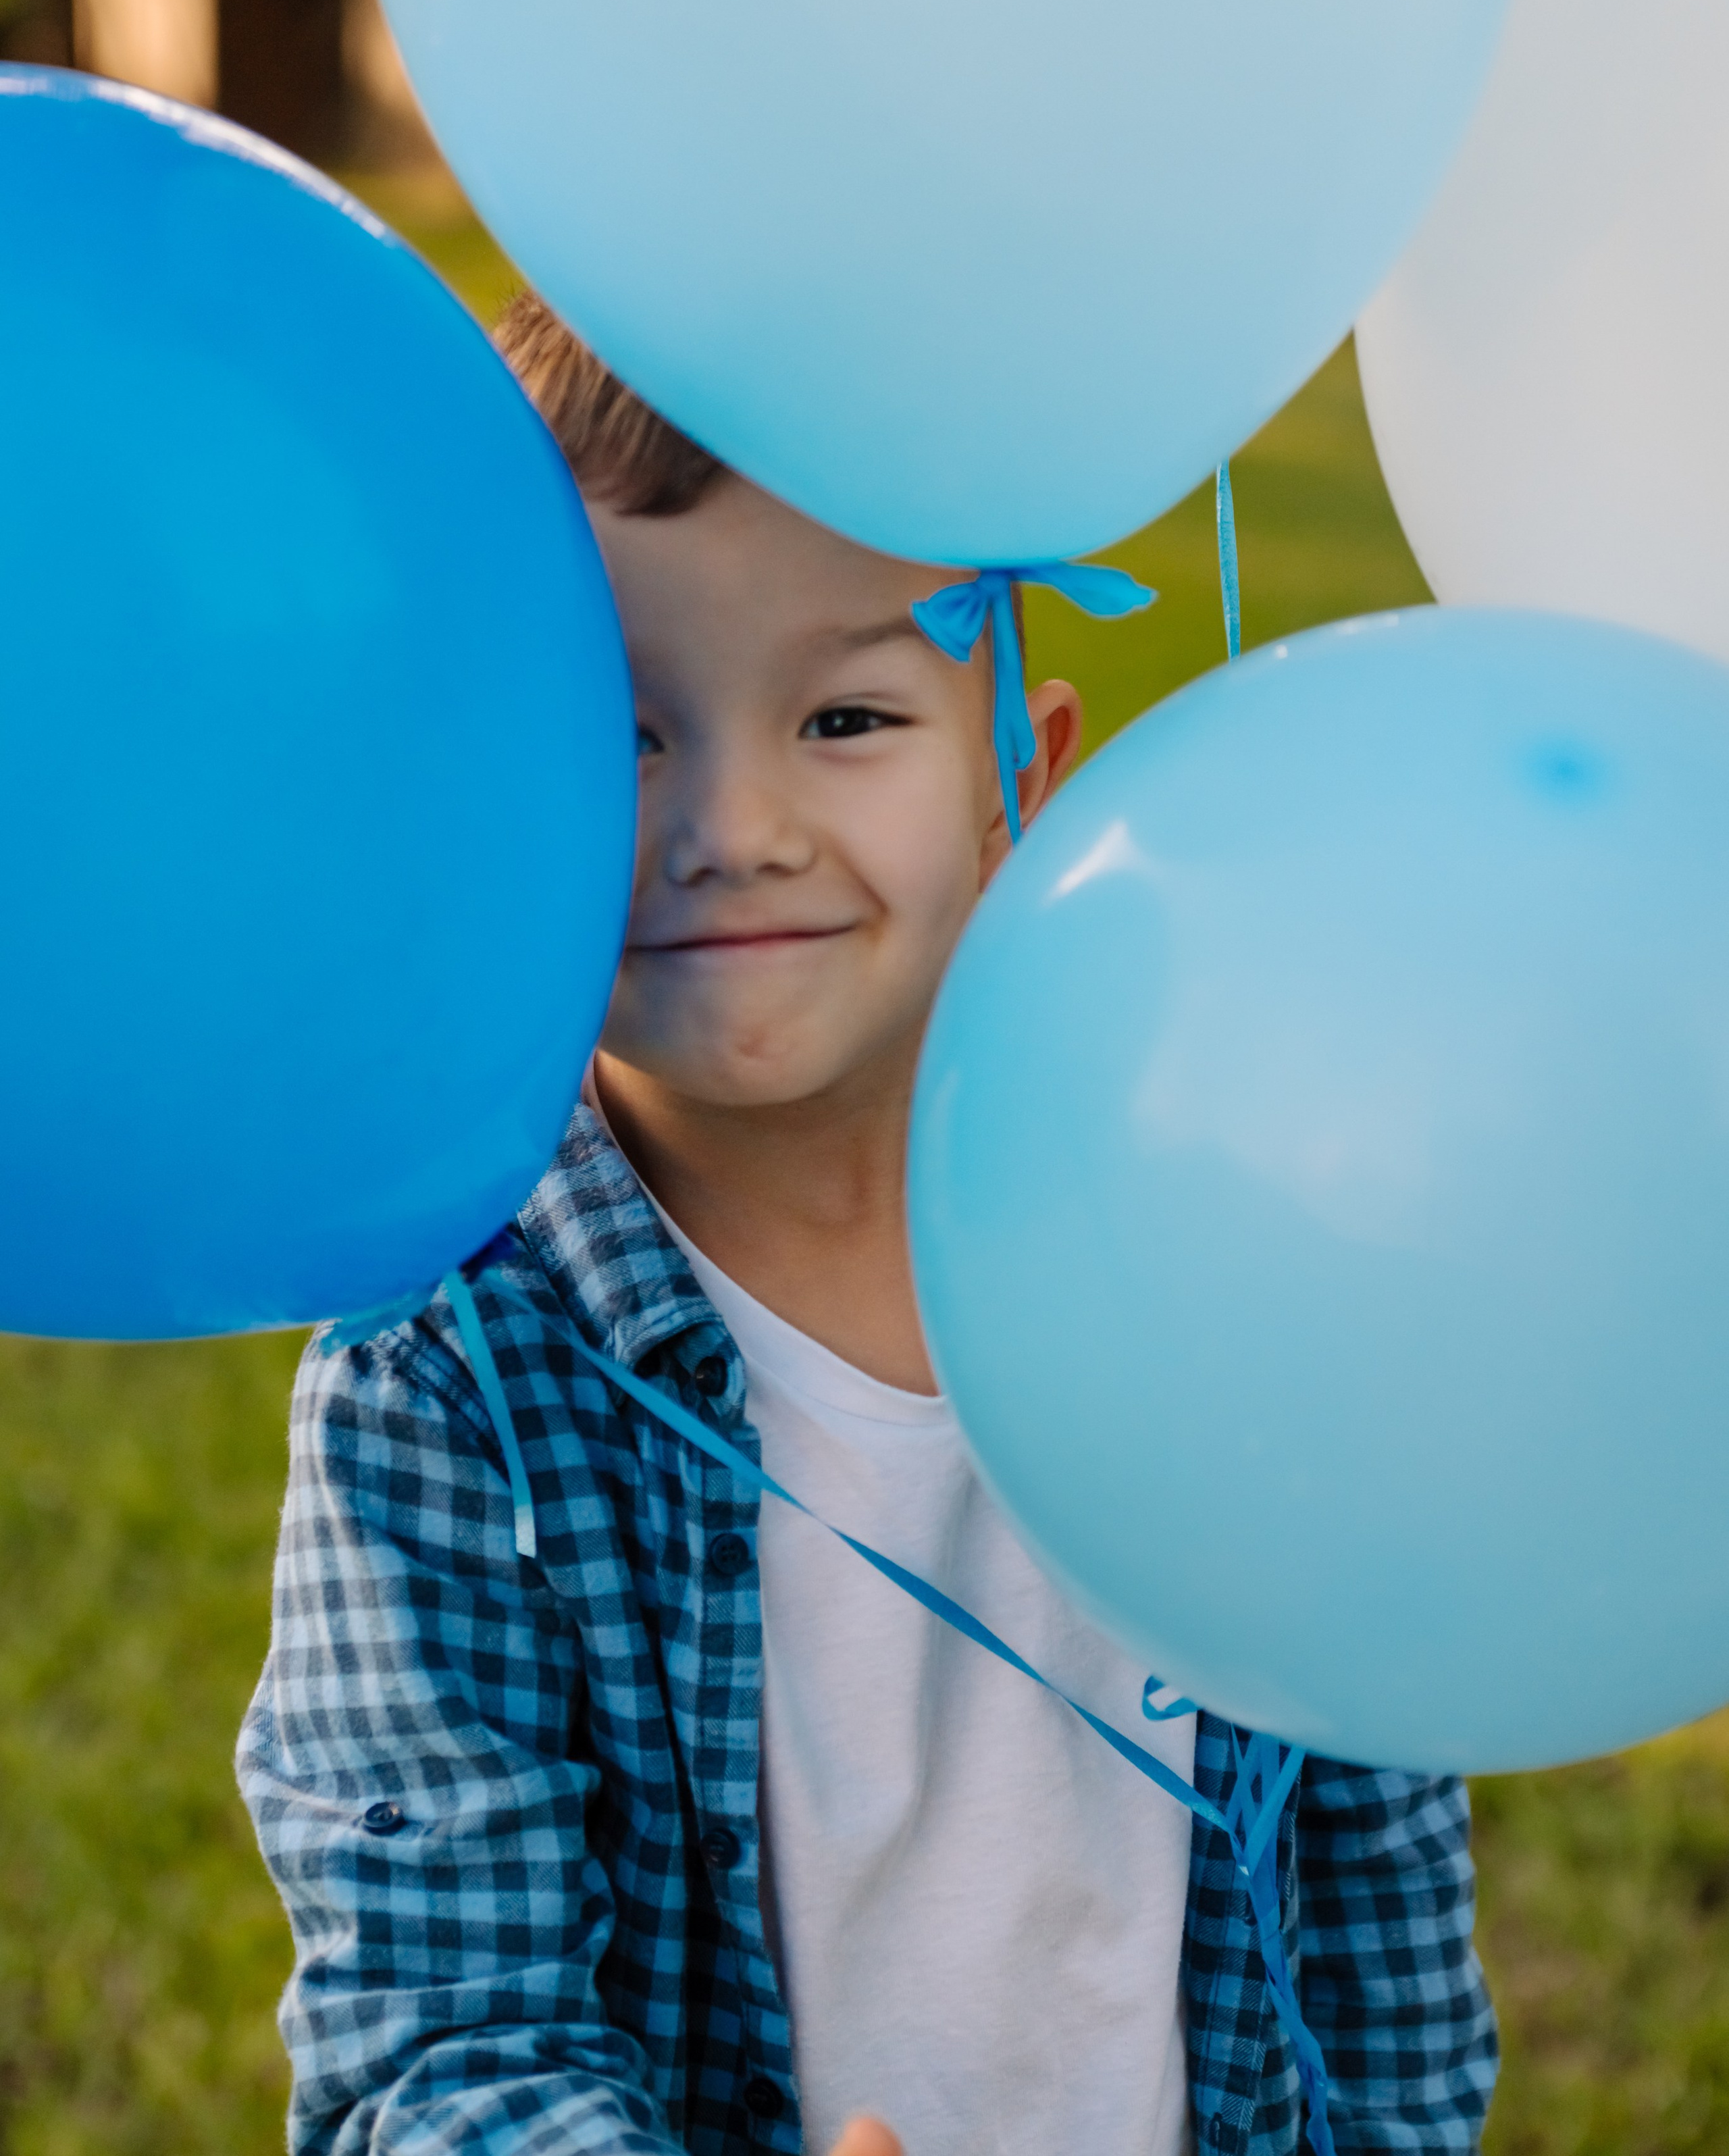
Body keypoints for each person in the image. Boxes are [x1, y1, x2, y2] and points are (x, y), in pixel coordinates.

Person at [238, 294, 1498, 2156]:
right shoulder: (449, 1378)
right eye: (625, 732)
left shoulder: (1233, 1252)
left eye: (846, 714)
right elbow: (436, 2039)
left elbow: (1381, 1906)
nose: (735, 826)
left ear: (1024, 776)